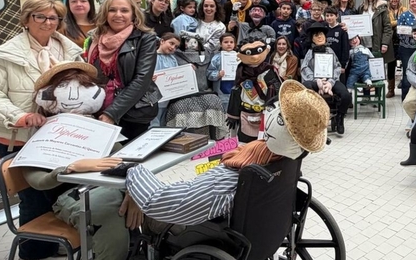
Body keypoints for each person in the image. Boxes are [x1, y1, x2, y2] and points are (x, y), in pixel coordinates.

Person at [123, 80, 329, 226]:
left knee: (144, 215)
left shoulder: (229, 181)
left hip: (204, 211)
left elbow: (157, 200)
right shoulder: (287, 162)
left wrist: (133, 171)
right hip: (263, 220)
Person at [0, 0, 83, 260]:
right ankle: (29, 254)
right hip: (21, 136)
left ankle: (51, 242)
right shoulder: (6, 54)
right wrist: (20, 116)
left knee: (59, 192)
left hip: (60, 135)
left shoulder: (69, 50)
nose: (48, 22)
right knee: (32, 198)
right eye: (40, 17)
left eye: (54, 18)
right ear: (26, 19)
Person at [26, 62, 137, 260]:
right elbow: (35, 179)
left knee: (153, 206)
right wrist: (69, 168)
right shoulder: (43, 131)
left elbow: (125, 158)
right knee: (107, 217)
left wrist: (136, 192)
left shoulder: (97, 126)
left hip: (108, 187)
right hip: (72, 196)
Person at [88, 0, 159, 141]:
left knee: (127, 160)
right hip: (98, 109)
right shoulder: (94, 39)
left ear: (134, 14)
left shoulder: (145, 38)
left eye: (124, 10)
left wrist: (112, 113)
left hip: (133, 113)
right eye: (112, 10)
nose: (118, 15)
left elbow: (142, 79)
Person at [300, 23, 351, 135]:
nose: (319, 37)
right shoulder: (310, 52)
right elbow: (304, 68)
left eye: (322, 35)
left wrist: (330, 82)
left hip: (330, 80)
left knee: (346, 96)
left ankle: (340, 118)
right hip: (315, 80)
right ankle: (312, 118)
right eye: (316, 35)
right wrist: (316, 80)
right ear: (312, 38)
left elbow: (337, 67)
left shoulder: (330, 51)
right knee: (306, 88)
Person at [356, 0, 393, 95]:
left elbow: (388, 27)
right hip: (364, 44)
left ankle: (377, 96)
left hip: (376, 44)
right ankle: (366, 95)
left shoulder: (382, 9)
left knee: (376, 70)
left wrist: (385, 43)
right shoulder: (361, 7)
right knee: (364, 70)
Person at [151, 32, 181, 127]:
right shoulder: (151, 56)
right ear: (162, 41)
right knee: (153, 120)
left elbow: (177, 73)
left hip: (168, 96)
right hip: (153, 95)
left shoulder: (173, 59)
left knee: (163, 119)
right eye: (171, 43)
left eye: (176, 46)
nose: (173, 47)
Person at [207, 33, 237, 112]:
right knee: (222, 110)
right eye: (226, 42)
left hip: (235, 87)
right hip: (221, 90)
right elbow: (209, 73)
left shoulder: (239, 57)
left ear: (235, 44)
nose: (229, 44)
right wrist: (218, 74)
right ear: (221, 44)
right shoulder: (216, 58)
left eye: (231, 42)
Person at [386, 0, 406, 98]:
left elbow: (405, 22)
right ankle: (390, 89)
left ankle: (405, 87)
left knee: (405, 65)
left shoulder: (405, 9)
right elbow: (387, 24)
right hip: (390, 42)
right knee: (390, 65)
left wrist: (395, 22)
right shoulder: (386, 11)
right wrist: (399, 21)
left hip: (403, 41)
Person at [324, 7, 350, 80]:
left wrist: (343, 65)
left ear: (337, 16)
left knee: (339, 87)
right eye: (327, 15)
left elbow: (345, 48)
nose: (329, 18)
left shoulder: (342, 30)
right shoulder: (324, 29)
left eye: (331, 15)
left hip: (339, 65)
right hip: (326, 63)